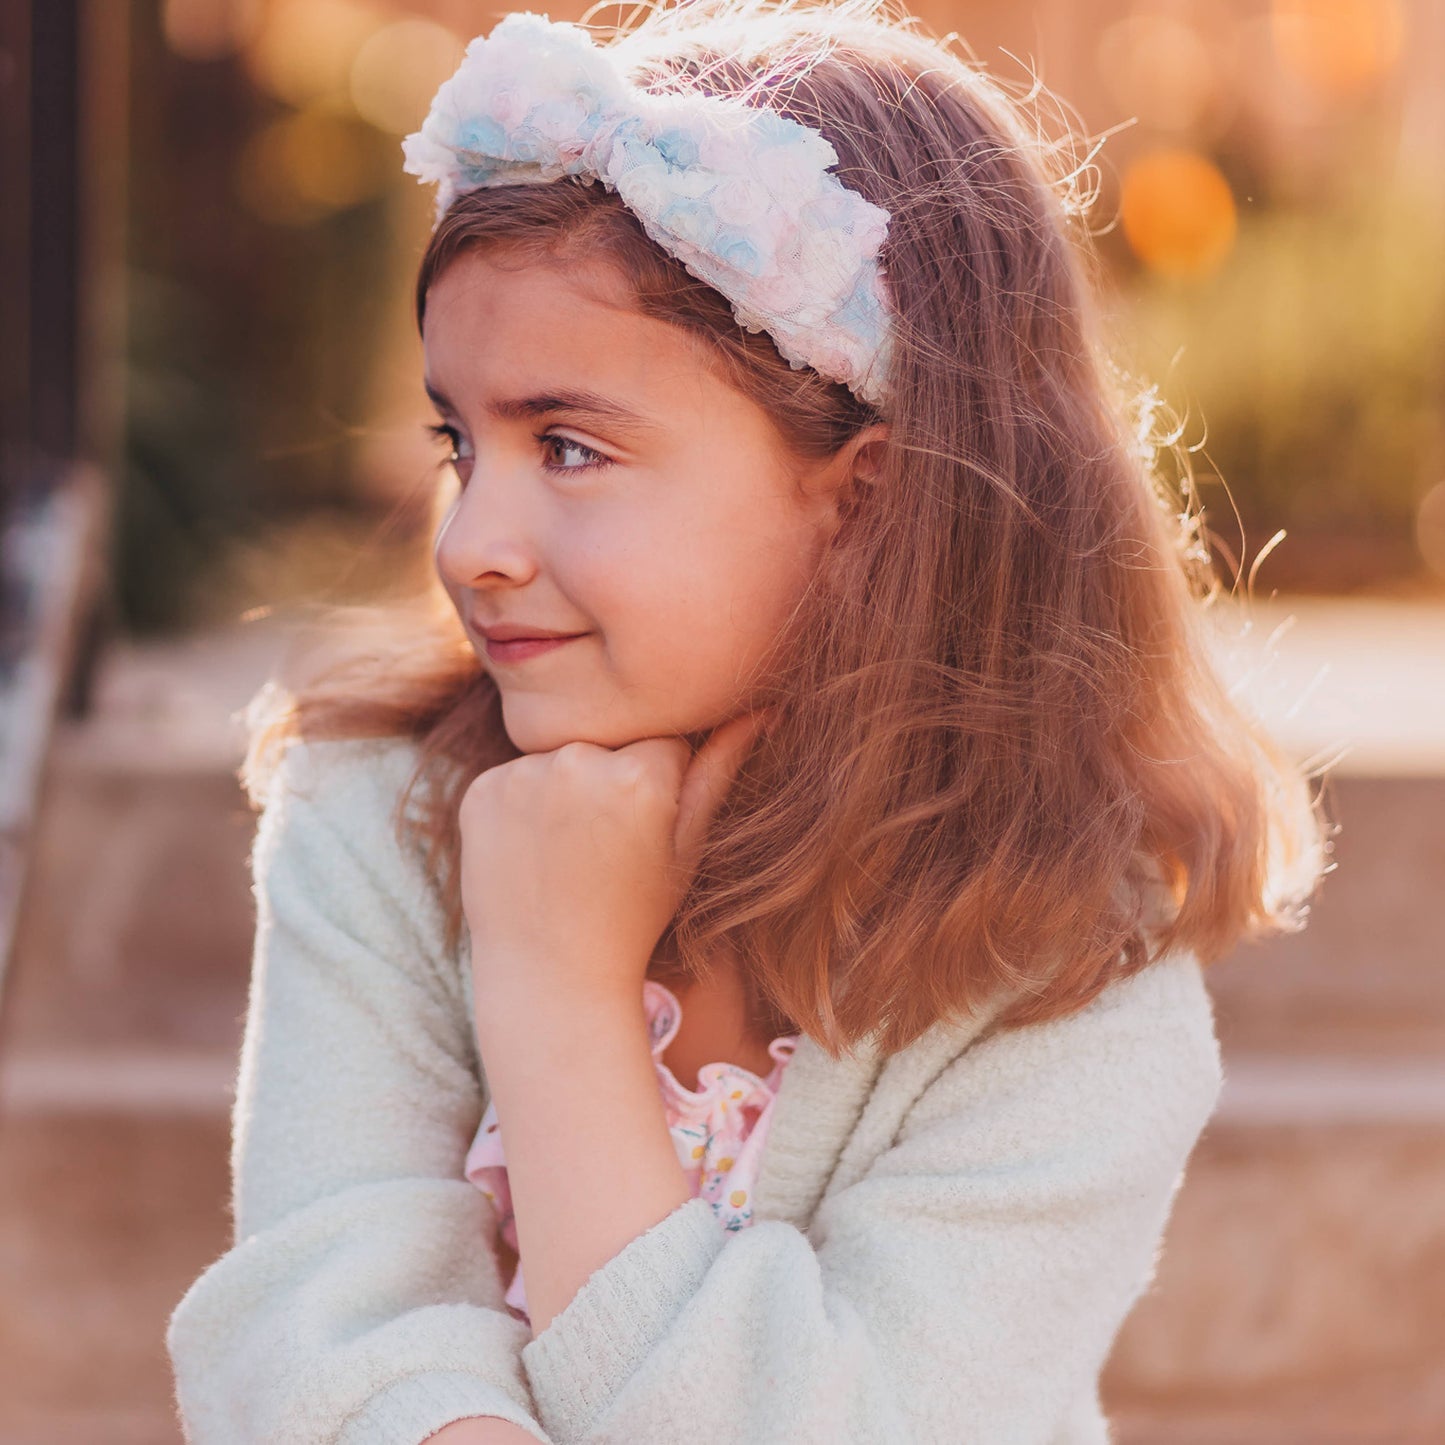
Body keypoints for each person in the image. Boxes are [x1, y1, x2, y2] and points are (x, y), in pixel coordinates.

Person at [166, 1, 1327, 1441]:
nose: (470, 541)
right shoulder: (379, 817)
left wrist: (557, 996)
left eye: (570, 445)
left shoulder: (1065, 982)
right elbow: (320, 1320)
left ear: (866, 504)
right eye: (460, 440)